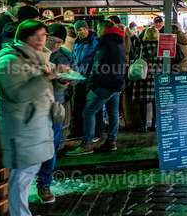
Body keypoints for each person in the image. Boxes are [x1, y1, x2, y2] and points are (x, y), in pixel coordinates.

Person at [0, 19, 66, 216]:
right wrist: (46, 77)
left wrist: (60, 80)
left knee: (29, 169)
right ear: (24, 36)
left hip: (35, 123)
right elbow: (16, 94)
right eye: (37, 36)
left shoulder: (36, 58)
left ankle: (22, 214)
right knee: (22, 173)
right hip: (21, 124)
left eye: (44, 35)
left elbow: (42, 85)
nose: (42, 39)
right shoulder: (9, 60)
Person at [67, 20, 127, 155]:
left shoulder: (104, 42)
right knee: (113, 113)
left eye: (98, 28)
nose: (97, 30)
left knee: (88, 112)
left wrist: (91, 83)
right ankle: (112, 141)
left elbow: (97, 65)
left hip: (104, 84)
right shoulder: (120, 42)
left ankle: (87, 144)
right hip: (117, 83)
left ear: (104, 29)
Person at [37, 23, 78, 203]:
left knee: (51, 146)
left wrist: (66, 80)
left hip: (56, 103)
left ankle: (44, 183)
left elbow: (76, 78)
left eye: (60, 42)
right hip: (36, 105)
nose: (56, 45)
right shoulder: (34, 53)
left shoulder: (66, 55)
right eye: (53, 40)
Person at [69, 19, 101, 143]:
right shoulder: (77, 43)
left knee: (93, 108)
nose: (82, 32)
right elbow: (75, 59)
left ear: (88, 28)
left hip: (91, 79)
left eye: (84, 29)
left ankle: (96, 132)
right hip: (79, 79)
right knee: (77, 107)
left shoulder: (96, 41)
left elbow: (96, 60)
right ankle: (77, 131)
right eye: (79, 30)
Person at [132, 26, 162, 131]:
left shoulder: (141, 46)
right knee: (156, 101)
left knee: (143, 102)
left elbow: (135, 59)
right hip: (158, 75)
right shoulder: (161, 47)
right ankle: (155, 124)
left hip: (143, 76)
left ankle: (143, 125)